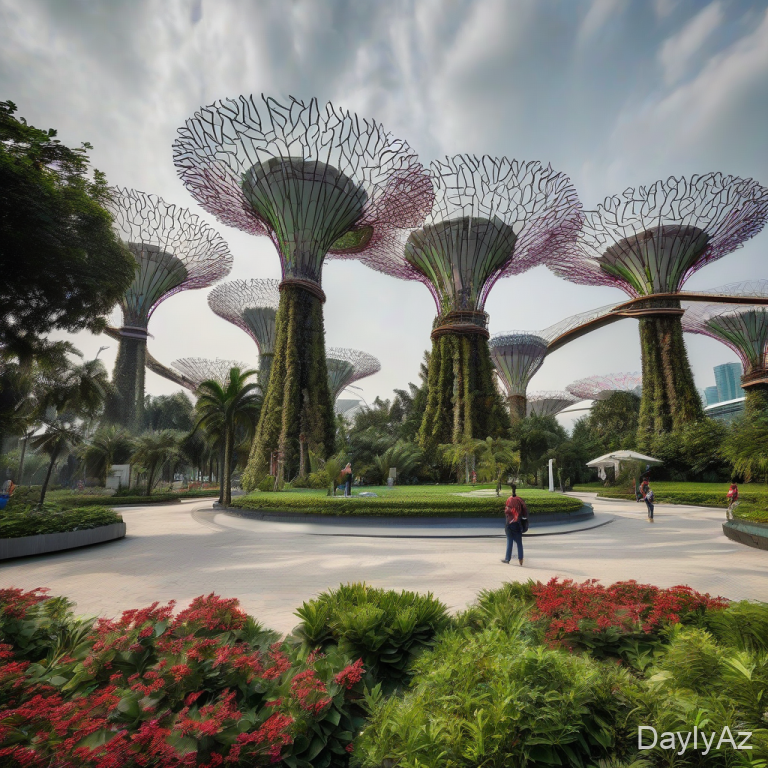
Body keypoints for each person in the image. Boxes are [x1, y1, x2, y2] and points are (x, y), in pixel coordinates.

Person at [501, 484, 527, 566]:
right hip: (518, 523)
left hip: (509, 523)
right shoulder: (520, 500)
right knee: (519, 542)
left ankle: (507, 559)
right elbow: (525, 511)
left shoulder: (509, 500)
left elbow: (507, 511)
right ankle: (521, 559)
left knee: (509, 541)